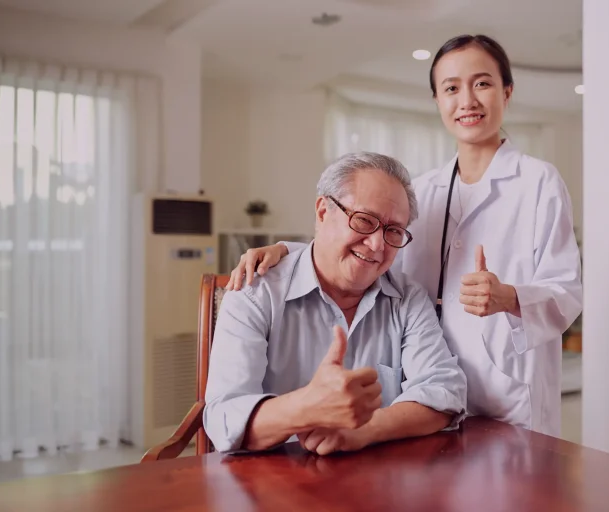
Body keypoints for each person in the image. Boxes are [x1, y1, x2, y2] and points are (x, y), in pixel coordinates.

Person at [226, 34, 582, 437]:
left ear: (507, 91)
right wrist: (287, 253)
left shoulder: (538, 182)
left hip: (508, 396)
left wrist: (510, 298)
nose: (467, 100)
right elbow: (373, 257)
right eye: (451, 88)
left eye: (482, 83)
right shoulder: (423, 190)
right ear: (437, 101)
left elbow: (567, 291)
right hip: (423, 396)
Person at [203, 152, 467, 455]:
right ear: (322, 212)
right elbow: (224, 419)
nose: (377, 245)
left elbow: (446, 393)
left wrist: (364, 430)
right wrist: (307, 406)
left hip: (376, 484)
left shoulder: (408, 299)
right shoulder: (255, 292)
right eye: (364, 220)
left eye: (393, 231)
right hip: (269, 487)